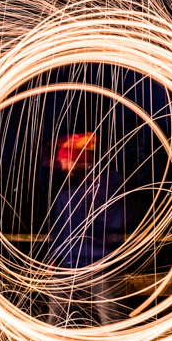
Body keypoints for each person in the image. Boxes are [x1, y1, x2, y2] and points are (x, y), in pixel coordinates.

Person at [42, 132, 126, 327]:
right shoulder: (65, 195)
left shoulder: (109, 185)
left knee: (112, 323)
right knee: (54, 323)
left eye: (65, 160)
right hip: (67, 267)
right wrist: (54, 257)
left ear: (78, 159)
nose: (61, 166)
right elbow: (60, 229)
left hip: (100, 265)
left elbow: (119, 219)